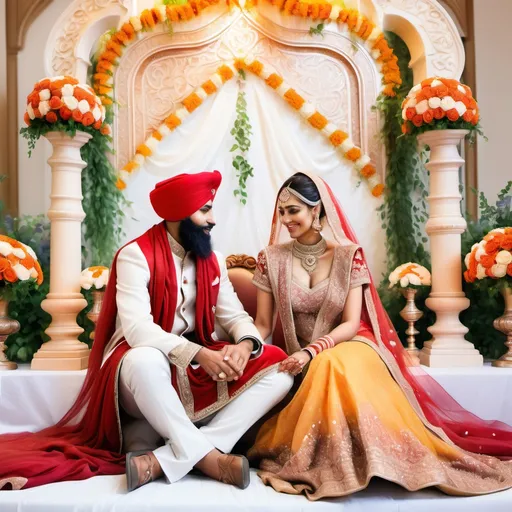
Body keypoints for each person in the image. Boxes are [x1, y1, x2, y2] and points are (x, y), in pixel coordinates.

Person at [0, 170, 292, 492]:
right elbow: (138, 330)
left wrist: (245, 344)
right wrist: (199, 353)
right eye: (205, 210)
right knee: (145, 359)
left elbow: (234, 315)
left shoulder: (213, 260)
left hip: (194, 367)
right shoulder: (135, 255)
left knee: (281, 368)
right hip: (140, 371)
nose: (213, 220)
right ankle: (210, 459)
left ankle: (166, 459)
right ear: (181, 213)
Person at [248, 171, 512, 501]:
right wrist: (244, 346)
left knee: (330, 363)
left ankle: (379, 458)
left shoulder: (348, 255)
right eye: (282, 212)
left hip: (351, 345)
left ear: (316, 211)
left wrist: (311, 351)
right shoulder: (271, 259)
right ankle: (343, 459)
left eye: (294, 211)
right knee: (325, 365)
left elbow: (349, 322)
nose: (286, 219)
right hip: (306, 359)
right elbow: (261, 323)